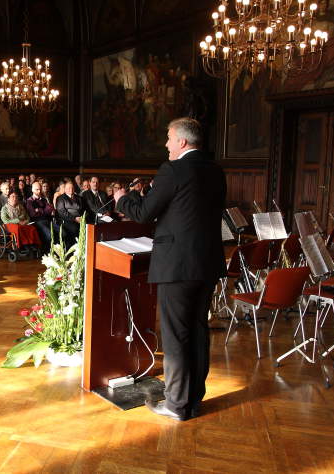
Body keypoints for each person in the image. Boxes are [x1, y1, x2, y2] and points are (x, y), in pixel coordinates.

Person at [113, 118, 226, 421]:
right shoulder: (216, 171)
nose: (166, 144)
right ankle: (193, 400)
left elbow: (144, 213)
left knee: (176, 336)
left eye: (168, 138)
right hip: (207, 263)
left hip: (177, 264)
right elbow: (188, 209)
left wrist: (124, 198)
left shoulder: (173, 170)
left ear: (182, 142)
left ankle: (176, 405)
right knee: (198, 331)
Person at [26, 181, 59, 250]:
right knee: (50, 235)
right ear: (32, 190)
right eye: (37, 189)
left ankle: (57, 249)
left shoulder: (43, 199)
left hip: (47, 220)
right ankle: (48, 251)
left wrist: (39, 210)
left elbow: (50, 209)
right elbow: (33, 214)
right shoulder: (30, 201)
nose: (39, 191)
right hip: (37, 222)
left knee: (62, 232)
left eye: (40, 189)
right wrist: (45, 210)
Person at [55, 181, 83, 248]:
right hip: (66, 220)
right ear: (65, 189)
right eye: (69, 188)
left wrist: (82, 217)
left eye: (72, 188)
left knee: (88, 228)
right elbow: (62, 212)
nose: (71, 189)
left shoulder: (79, 198)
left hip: (80, 219)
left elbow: (83, 209)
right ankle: (73, 248)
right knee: (75, 229)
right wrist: (74, 218)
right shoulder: (60, 198)